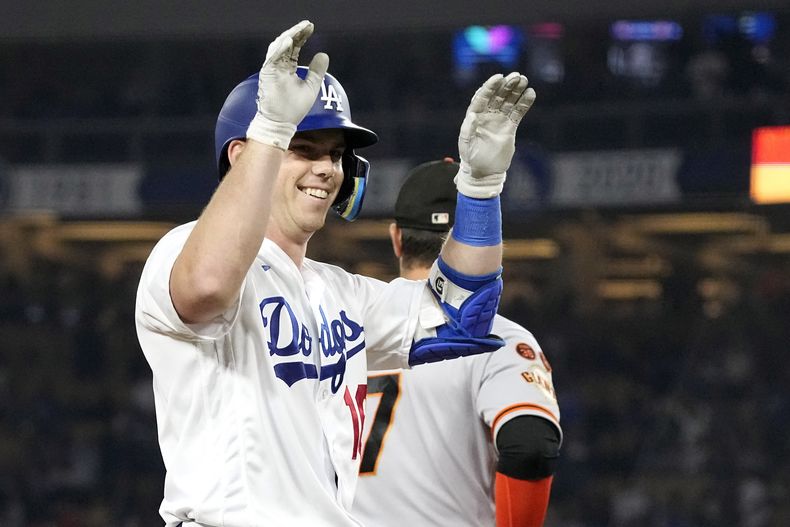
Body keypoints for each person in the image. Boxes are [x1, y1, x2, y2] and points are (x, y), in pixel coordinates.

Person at [135, 19, 536, 527]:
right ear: (243, 154)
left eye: (336, 154)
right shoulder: (180, 250)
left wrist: (479, 188)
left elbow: (463, 316)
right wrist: (272, 132)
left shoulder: (340, 291)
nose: (328, 168)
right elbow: (210, 286)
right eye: (304, 149)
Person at [352, 158, 562, 527]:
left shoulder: (343, 326)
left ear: (397, 238)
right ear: (486, 242)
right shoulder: (496, 337)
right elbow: (530, 448)